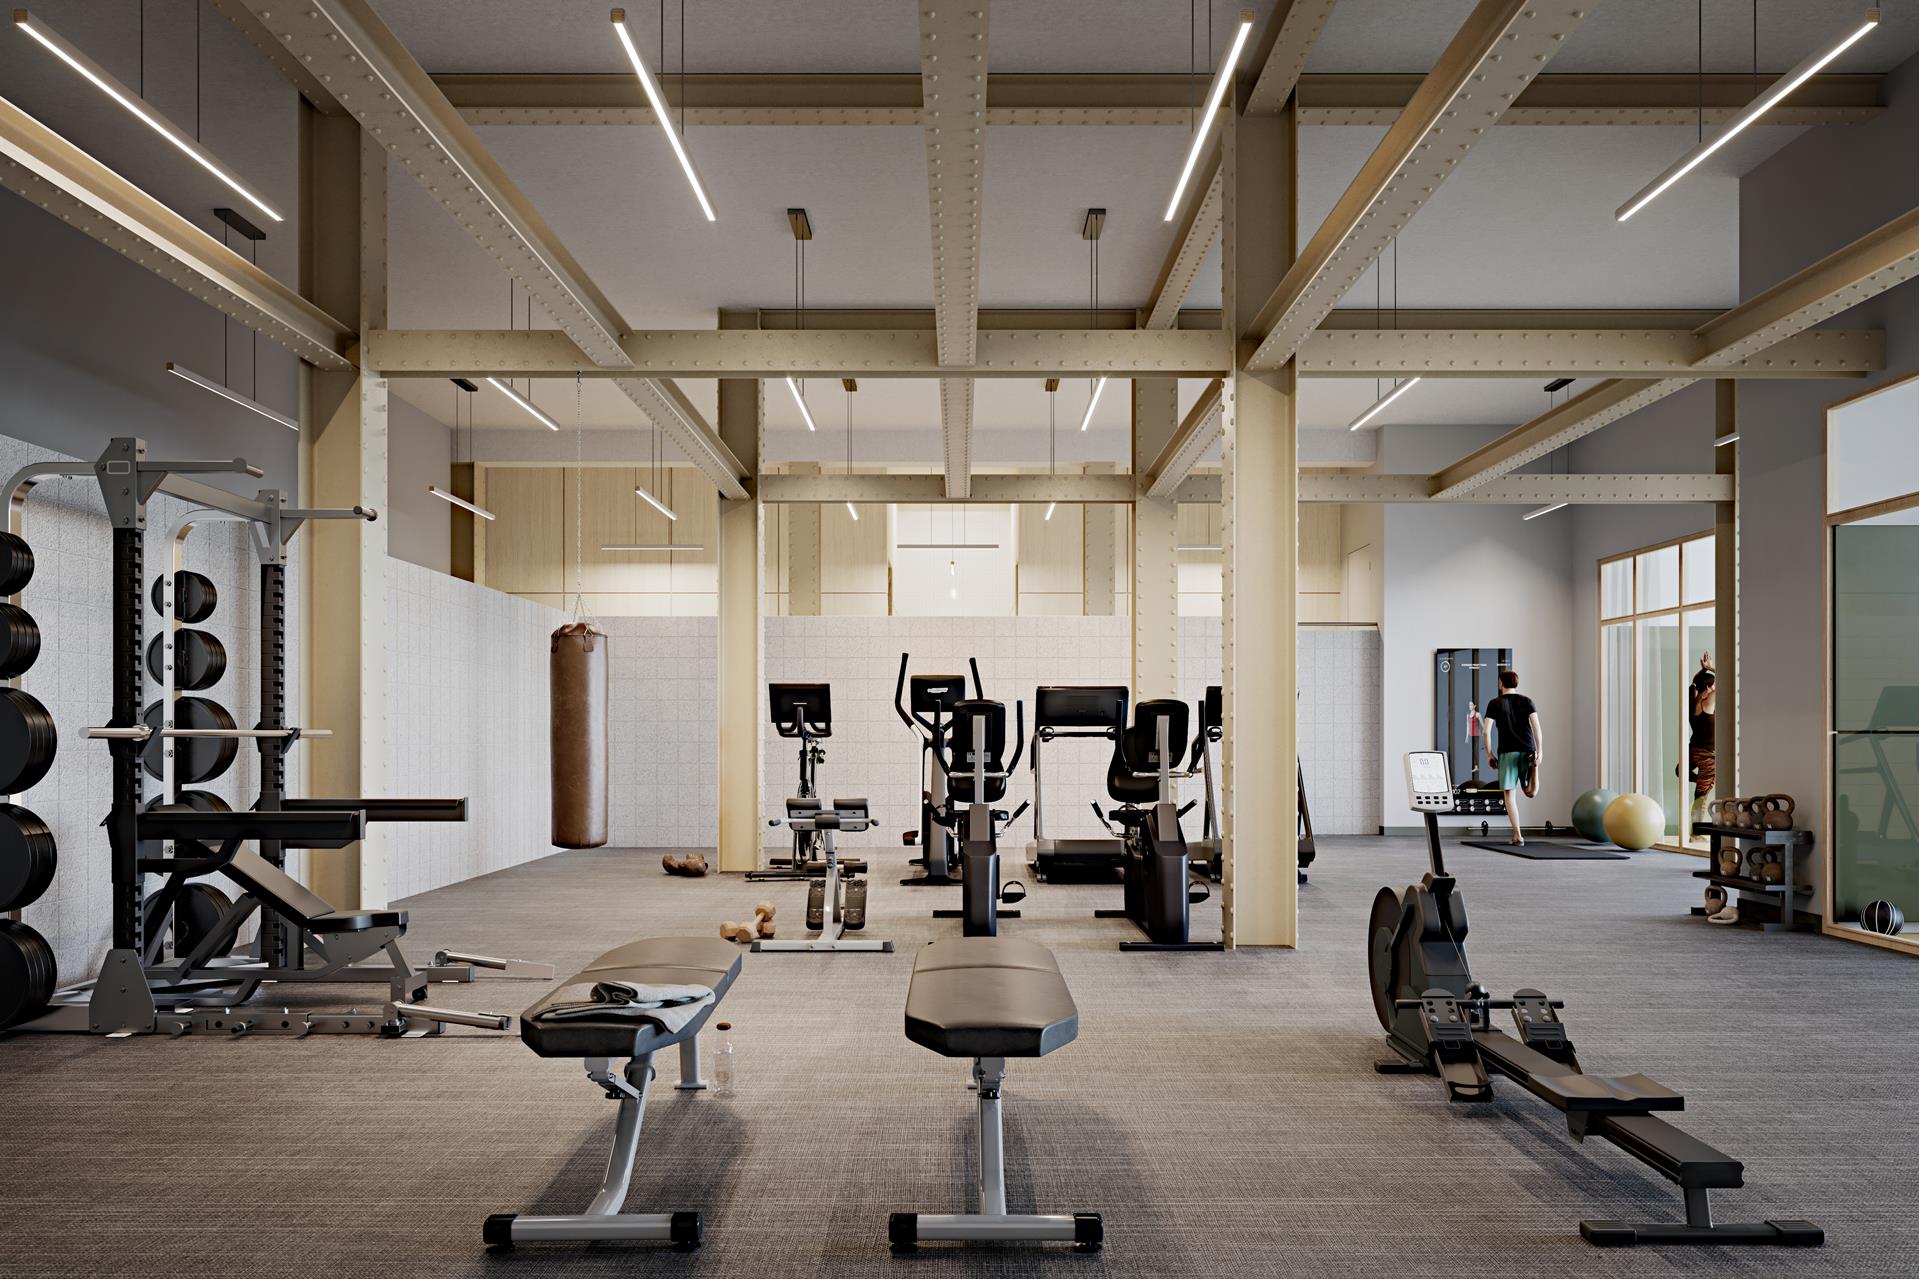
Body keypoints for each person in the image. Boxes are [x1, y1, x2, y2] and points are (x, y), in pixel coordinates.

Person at [1483, 669, 1542, 846]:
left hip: (1507, 752)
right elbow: (1537, 728)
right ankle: (1535, 767)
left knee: (1509, 795)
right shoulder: (1527, 701)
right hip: (1527, 750)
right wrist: (1540, 752)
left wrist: (1489, 754)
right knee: (1530, 793)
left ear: (1501, 683)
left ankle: (1517, 835)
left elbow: (1486, 731)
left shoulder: (1495, 703)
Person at [1688, 654, 1716, 830]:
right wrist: (1711, 668)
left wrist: (1704, 669)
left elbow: (1695, 682)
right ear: (1708, 688)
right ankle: (1696, 832)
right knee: (1701, 794)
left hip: (1693, 751)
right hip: (1707, 756)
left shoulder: (1693, 701)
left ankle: (1695, 830)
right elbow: (1729, 679)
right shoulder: (1708, 704)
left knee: (1682, 772)